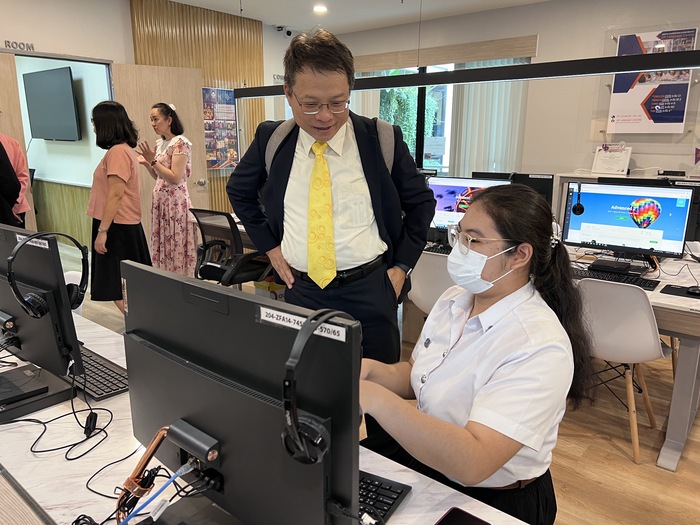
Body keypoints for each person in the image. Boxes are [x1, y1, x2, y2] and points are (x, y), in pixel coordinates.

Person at [359, 184, 596, 525]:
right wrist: (370, 372)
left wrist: (376, 399)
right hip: (427, 460)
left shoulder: (538, 344)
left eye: (473, 240)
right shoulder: (456, 299)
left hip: (494, 497)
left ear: (519, 255)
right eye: (460, 235)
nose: (459, 248)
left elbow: (474, 461)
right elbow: (417, 374)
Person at [227, 29, 435, 364]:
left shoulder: (381, 138)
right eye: (310, 104)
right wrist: (270, 246)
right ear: (288, 94)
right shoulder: (273, 139)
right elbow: (239, 191)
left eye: (338, 102)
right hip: (302, 290)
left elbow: (422, 204)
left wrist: (401, 267)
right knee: (308, 391)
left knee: (380, 396)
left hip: (371, 288)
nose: (325, 116)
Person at [87, 101, 151, 313]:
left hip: (118, 225)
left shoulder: (118, 152)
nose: (94, 127)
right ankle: (141, 324)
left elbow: (116, 193)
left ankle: (142, 325)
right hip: (119, 223)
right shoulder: (121, 151)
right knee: (121, 287)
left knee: (119, 287)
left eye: (95, 122)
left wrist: (103, 231)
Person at [136, 103, 198, 277]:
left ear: (169, 120)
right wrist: (148, 164)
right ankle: (165, 281)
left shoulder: (181, 143)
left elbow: (175, 177)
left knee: (176, 244)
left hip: (175, 203)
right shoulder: (161, 143)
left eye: (156, 119)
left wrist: (153, 161)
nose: (153, 124)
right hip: (161, 203)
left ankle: (180, 281)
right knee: (163, 244)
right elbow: (159, 177)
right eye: (151, 120)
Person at [0, 113, 31, 227]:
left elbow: (22, 177)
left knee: (17, 243)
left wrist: (11, 207)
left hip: (17, 207)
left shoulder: (11, 143)